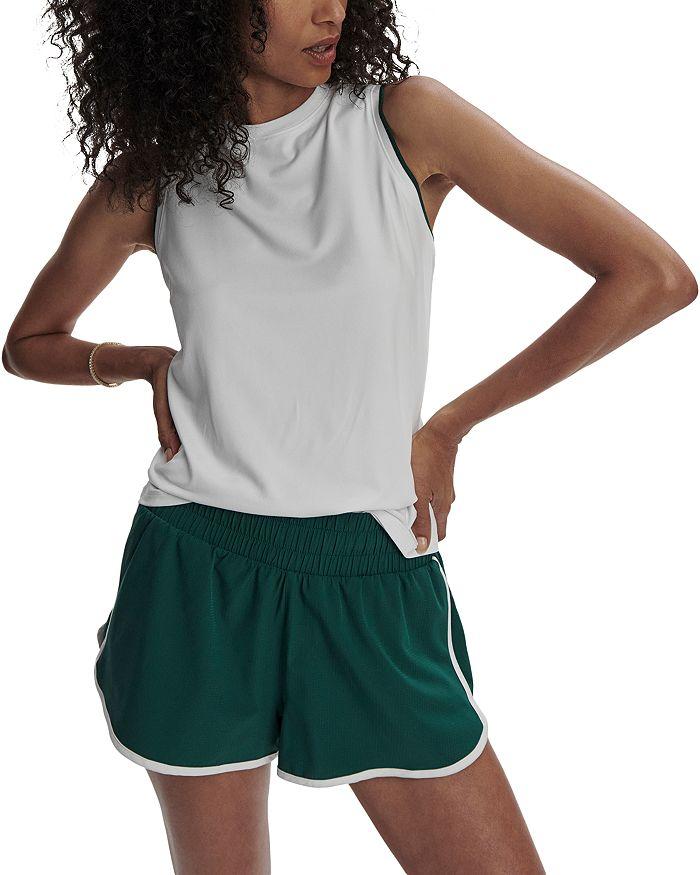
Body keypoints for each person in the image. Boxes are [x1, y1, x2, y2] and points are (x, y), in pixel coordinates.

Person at [3, 1, 696, 872]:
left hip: (368, 566)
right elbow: (29, 342)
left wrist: (451, 425)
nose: (330, 9)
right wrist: (132, 362)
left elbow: (652, 277)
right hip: (197, 570)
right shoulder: (155, 175)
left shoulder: (403, 123)